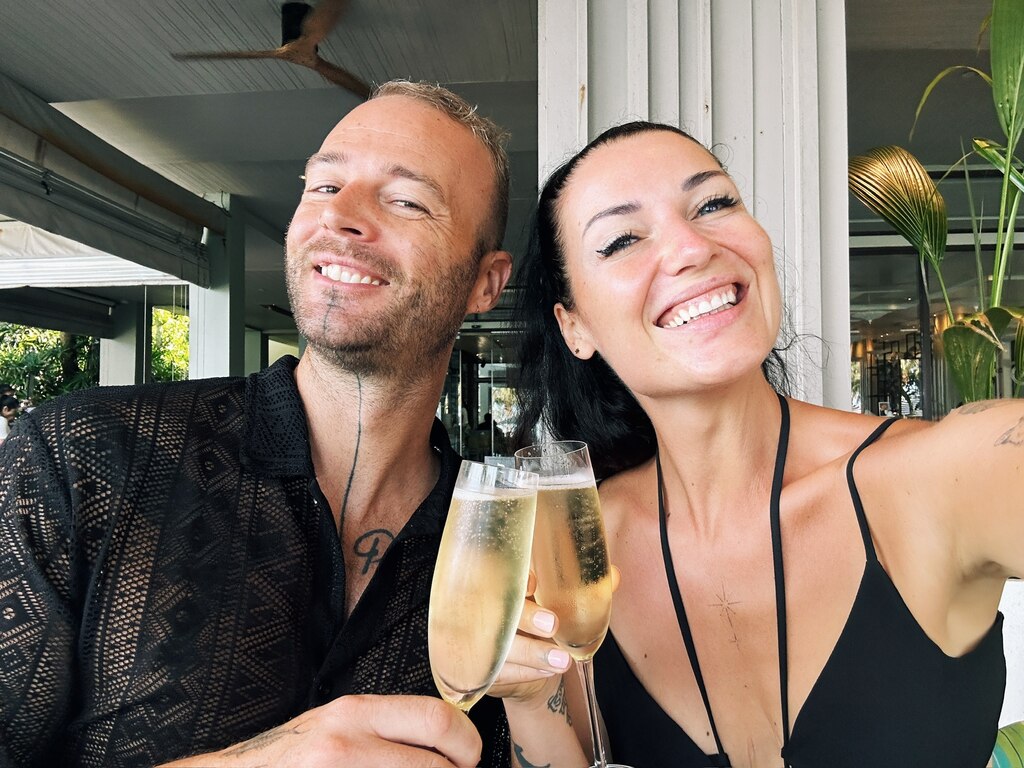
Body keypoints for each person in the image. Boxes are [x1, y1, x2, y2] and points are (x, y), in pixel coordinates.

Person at [0, 80, 515, 768]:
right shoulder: (78, 456)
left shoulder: (498, 544)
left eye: (406, 200)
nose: (342, 217)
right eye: (323, 187)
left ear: (487, 283)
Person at [494, 121, 1015, 768]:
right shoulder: (577, 550)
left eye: (713, 204)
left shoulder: (939, 476)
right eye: (623, 238)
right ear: (575, 328)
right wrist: (526, 697)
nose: (690, 247)